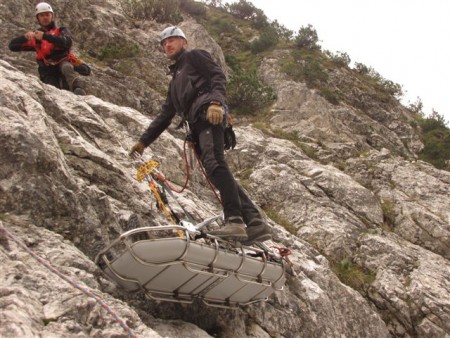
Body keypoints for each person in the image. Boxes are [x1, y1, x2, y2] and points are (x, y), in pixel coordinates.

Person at [130, 26, 272, 244]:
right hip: (197, 125)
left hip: (209, 116)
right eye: (164, 43)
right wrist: (143, 142)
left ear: (184, 42)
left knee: (215, 165)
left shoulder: (195, 57)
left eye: (172, 40)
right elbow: (164, 116)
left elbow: (218, 76)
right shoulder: (175, 82)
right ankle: (254, 221)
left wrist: (216, 102)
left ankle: (234, 221)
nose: (167, 45)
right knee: (215, 169)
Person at [8, 2, 87, 95]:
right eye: (42, 15)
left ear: (52, 16)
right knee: (53, 89)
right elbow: (12, 46)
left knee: (66, 67)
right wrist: (25, 37)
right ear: (38, 18)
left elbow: (67, 42)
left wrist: (45, 36)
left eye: (47, 15)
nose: (45, 17)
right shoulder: (36, 37)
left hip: (62, 61)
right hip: (47, 69)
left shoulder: (61, 30)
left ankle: (78, 89)